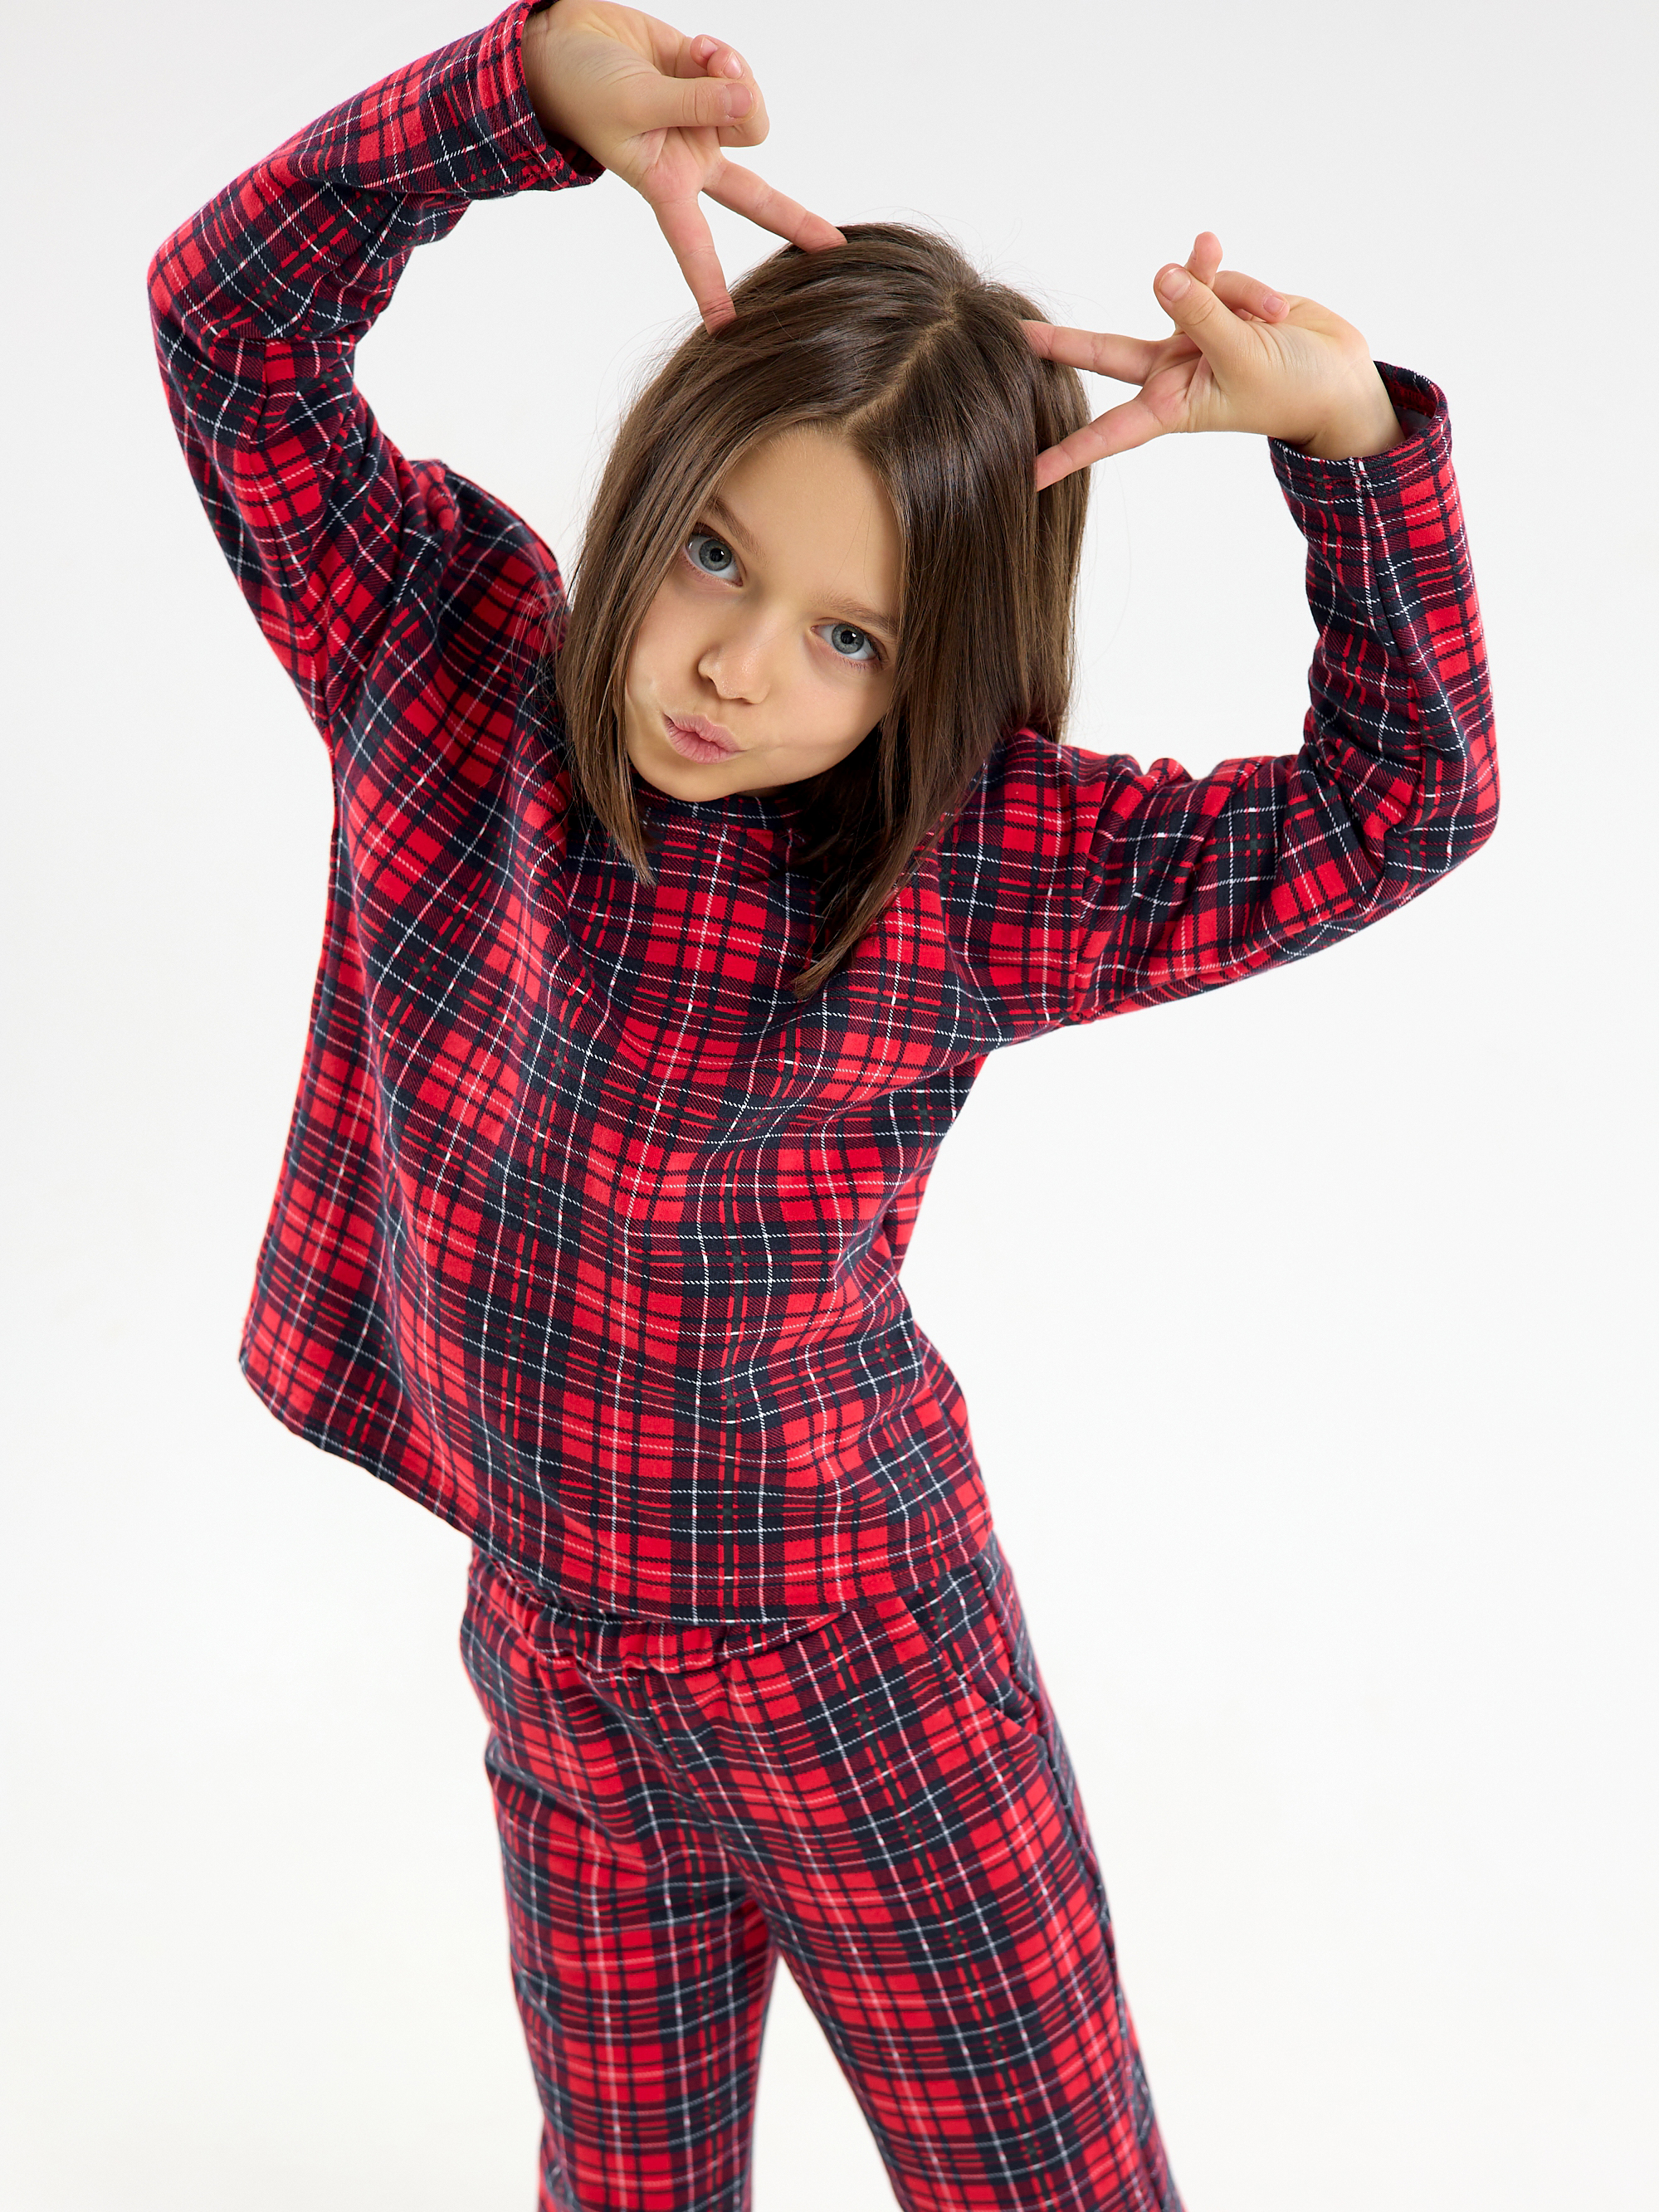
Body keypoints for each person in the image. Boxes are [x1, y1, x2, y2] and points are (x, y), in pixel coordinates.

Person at [147, 1, 1497, 2205]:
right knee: (624, 2180)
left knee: (1046, 2181)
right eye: (715, 556)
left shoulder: (969, 863)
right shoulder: (437, 662)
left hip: (858, 1673)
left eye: (849, 637)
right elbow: (229, 334)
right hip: (557, 1650)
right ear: (653, 483)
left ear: (931, 664)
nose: (740, 667)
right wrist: (515, 99)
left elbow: (1399, 804)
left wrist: (1349, 445)